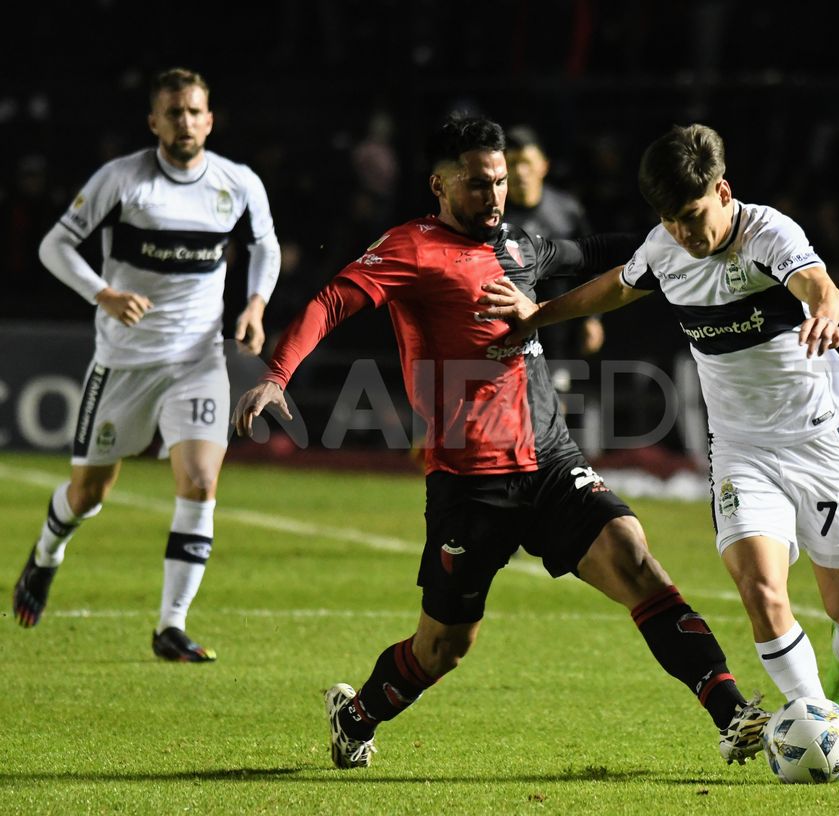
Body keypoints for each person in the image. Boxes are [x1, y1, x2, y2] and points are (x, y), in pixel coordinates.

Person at [232, 115, 770, 770]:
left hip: (550, 463)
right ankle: (358, 716)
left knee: (635, 559)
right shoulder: (411, 249)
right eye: (477, 185)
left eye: (499, 183)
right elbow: (332, 301)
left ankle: (733, 714)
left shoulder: (521, 249)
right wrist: (276, 375)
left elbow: (602, 251)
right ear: (439, 185)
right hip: (468, 485)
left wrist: (700, 232)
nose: (493, 197)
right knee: (443, 649)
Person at [480, 124, 839, 783]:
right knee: (759, 586)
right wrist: (535, 315)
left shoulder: (768, 233)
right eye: (672, 221)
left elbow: (817, 283)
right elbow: (615, 286)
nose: (687, 235)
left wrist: (828, 310)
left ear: (723, 192)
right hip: (743, 451)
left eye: (694, 217)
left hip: (816, 441)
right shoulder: (666, 248)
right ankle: (819, 726)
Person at [11, 68, 282, 660]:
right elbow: (54, 245)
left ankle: (171, 626)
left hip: (197, 359)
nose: (185, 122)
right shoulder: (123, 181)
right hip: (125, 364)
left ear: (210, 120)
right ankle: (47, 553)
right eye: (173, 112)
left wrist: (256, 304)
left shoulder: (237, 184)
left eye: (194, 112)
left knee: (201, 481)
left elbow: (265, 244)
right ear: (153, 122)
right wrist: (103, 294)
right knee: (88, 493)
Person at [504, 125, 604, 387]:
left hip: (558, 336)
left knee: (554, 407)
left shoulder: (567, 212)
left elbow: (590, 264)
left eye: (526, 162)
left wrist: (593, 319)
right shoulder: (492, 215)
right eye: (512, 163)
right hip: (506, 337)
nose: (519, 171)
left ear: (543, 166)